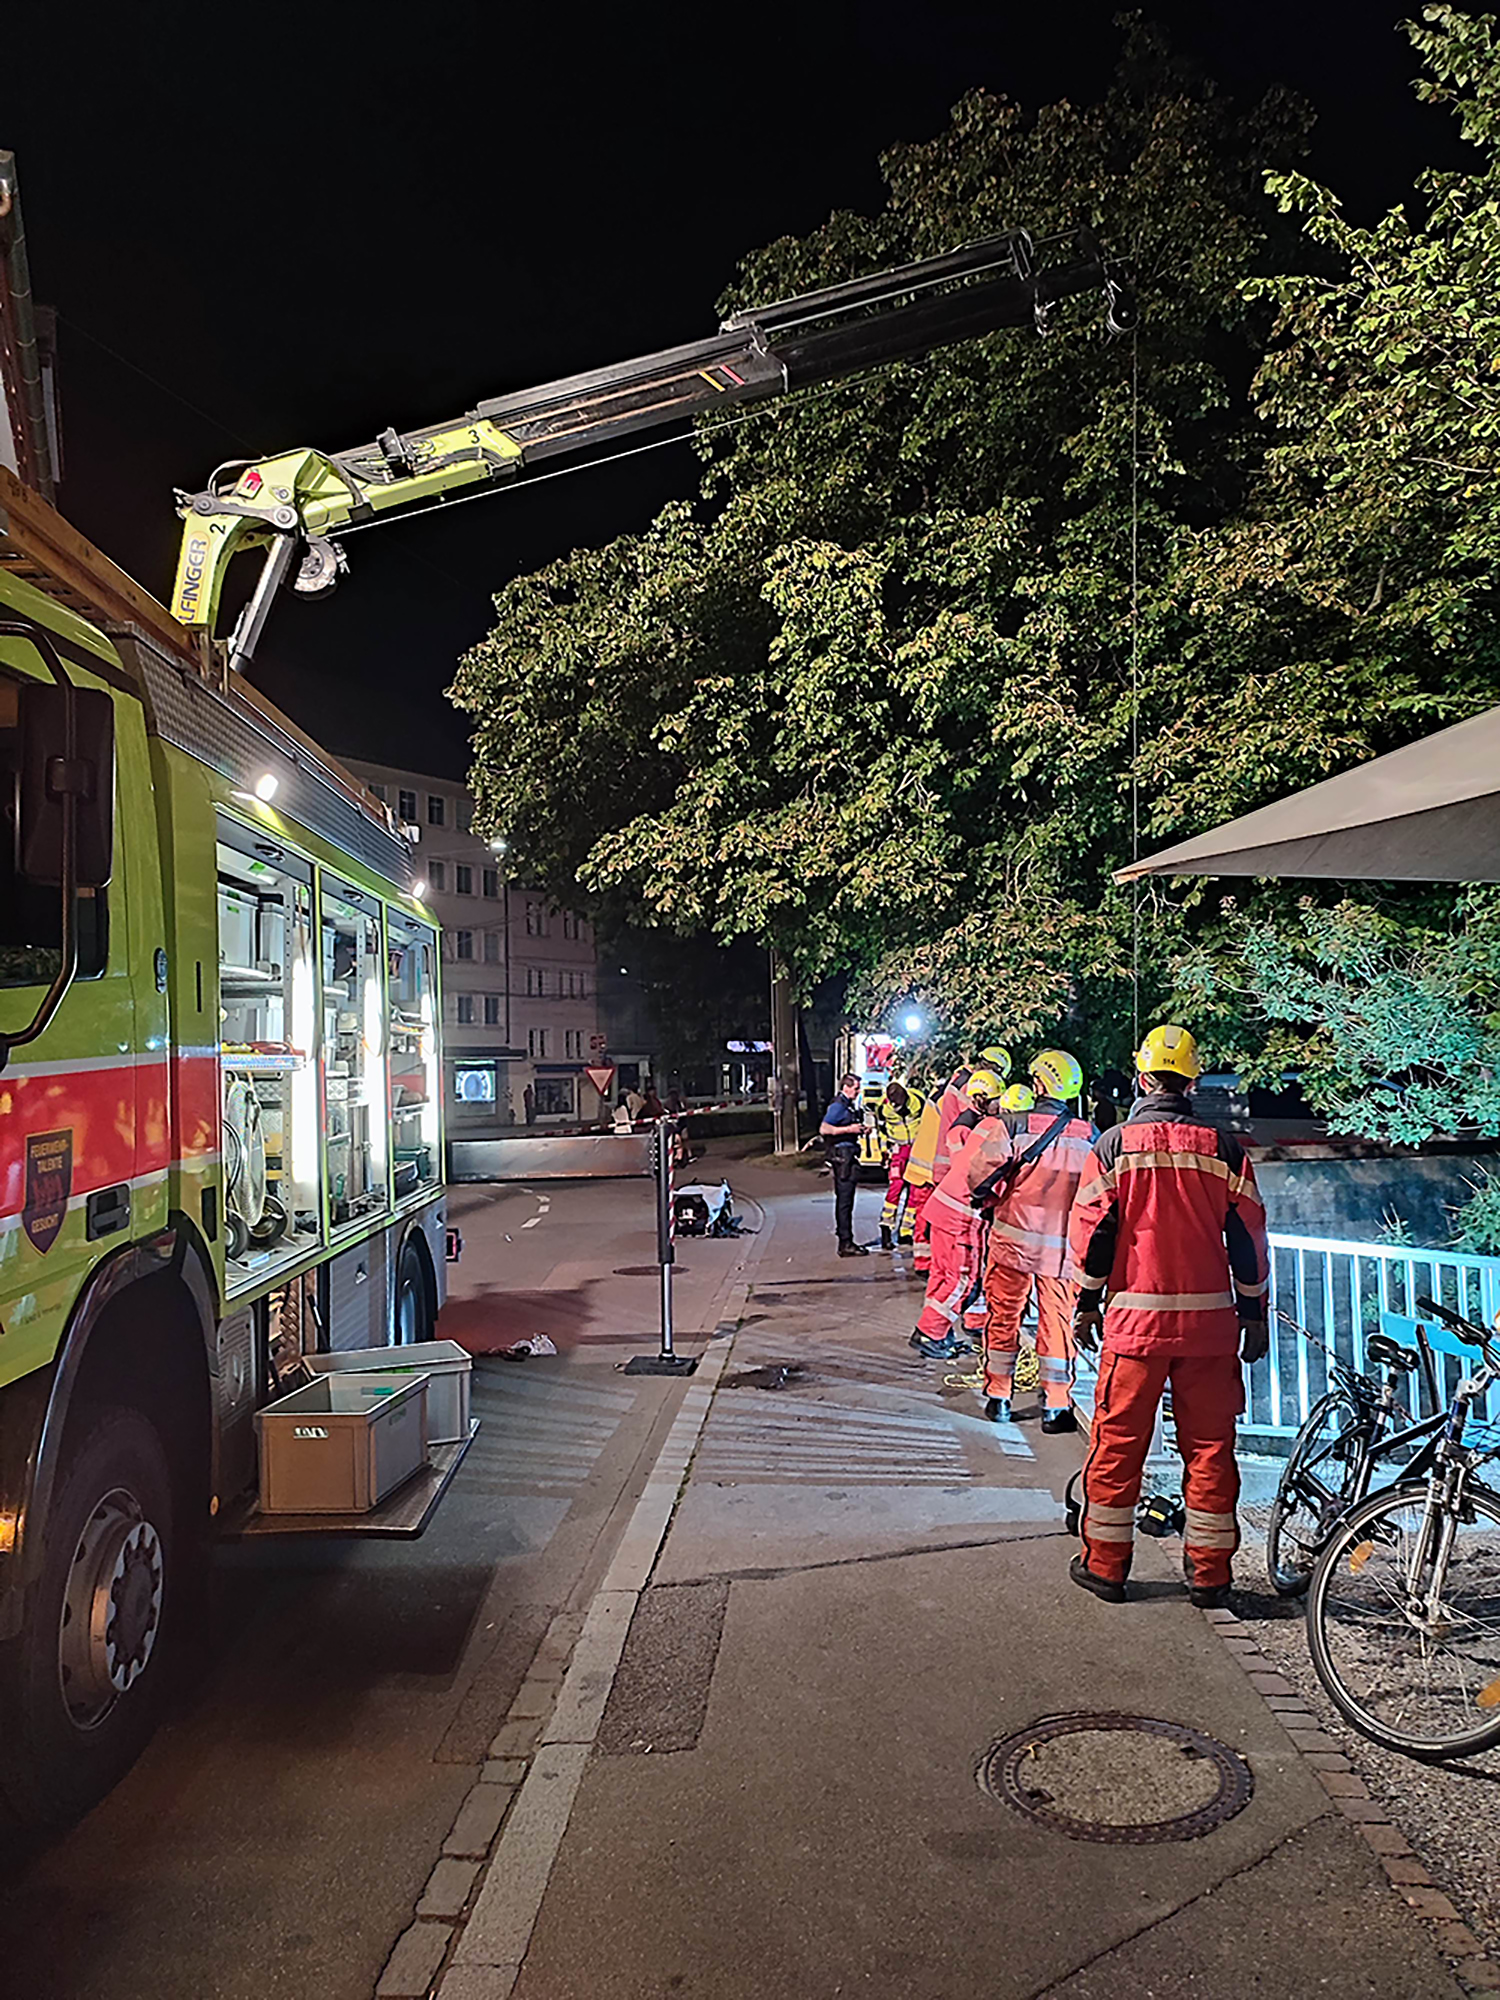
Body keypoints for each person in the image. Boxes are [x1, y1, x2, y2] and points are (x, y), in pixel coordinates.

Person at [1067, 1024, 1270, 1609]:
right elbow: (1249, 1239)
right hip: (1210, 1328)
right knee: (1210, 1450)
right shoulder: (1225, 1149)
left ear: (1141, 1078)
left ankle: (1106, 1568)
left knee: (1118, 1444)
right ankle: (1209, 1576)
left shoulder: (1113, 1146)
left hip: (1134, 1328)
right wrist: (1253, 1313)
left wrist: (1086, 1303)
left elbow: (1095, 1235)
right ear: (1192, 1083)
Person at [966, 1050, 1095, 1432]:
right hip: (1062, 1252)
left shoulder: (1013, 1126)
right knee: (1057, 1323)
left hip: (1013, 1244)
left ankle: (999, 1397)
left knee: (1004, 1317)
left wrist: (992, 1199)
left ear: (1038, 1084)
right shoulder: (1089, 1135)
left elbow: (978, 1178)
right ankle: (1056, 1405)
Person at [911, 1067, 1006, 1357]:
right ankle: (930, 1333)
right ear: (984, 1099)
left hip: (943, 1208)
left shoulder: (973, 1125)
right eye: (997, 1100)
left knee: (941, 1276)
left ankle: (939, 1332)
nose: (1001, 1106)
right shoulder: (990, 1130)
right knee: (963, 1279)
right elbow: (985, 1176)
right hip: (961, 1216)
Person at [905, 1046, 1011, 1276]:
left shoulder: (956, 1080)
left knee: (933, 1218)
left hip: (932, 1159)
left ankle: (930, 1264)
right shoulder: (969, 1088)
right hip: (943, 1162)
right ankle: (934, 1265)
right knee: (948, 1223)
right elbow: (969, 1129)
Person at [820, 1072, 869, 1256]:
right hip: (843, 1158)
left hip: (847, 1155)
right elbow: (824, 1128)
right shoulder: (838, 1106)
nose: (858, 1092)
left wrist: (858, 1130)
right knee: (845, 1201)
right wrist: (850, 1129)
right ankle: (845, 1242)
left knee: (846, 1200)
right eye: (856, 1088)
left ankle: (846, 1239)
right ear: (846, 1087)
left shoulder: (847, 1105)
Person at [875, 1077, 926, 1249]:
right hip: (898, 1149)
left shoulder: (918, 1100)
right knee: (895, 1188)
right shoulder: (883, 1108)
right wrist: (884, 1151)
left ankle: (906, 1231)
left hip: (917, 1148)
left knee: (915, 1190)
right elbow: (881, 1130)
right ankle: (886, 1227)